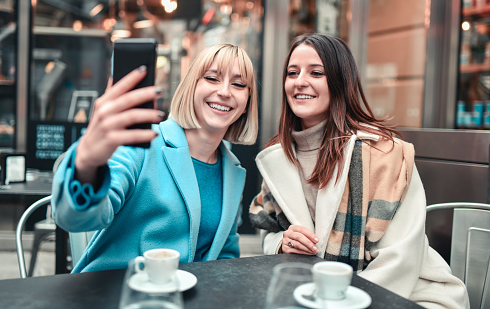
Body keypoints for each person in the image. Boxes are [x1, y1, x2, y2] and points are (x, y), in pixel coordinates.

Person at [249, 33, 469, 308]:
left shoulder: (385, 154)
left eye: (316, 72)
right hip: (317, 293)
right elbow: (267, 229)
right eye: (292, 72)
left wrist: (338, 299)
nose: (299, 81)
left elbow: (400, 261)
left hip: (409, 295)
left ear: (341, 83)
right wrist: (282, 243)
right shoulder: (279, 157)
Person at [51, 43, 258, 273]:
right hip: (115, 294)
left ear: (247, 102)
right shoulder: (142, 142)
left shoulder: (233, 170)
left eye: (239, 84)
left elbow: (225, 253)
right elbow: (73, 219)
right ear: (191, 86)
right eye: (212, 78)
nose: (225, 91)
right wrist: (87, 163)